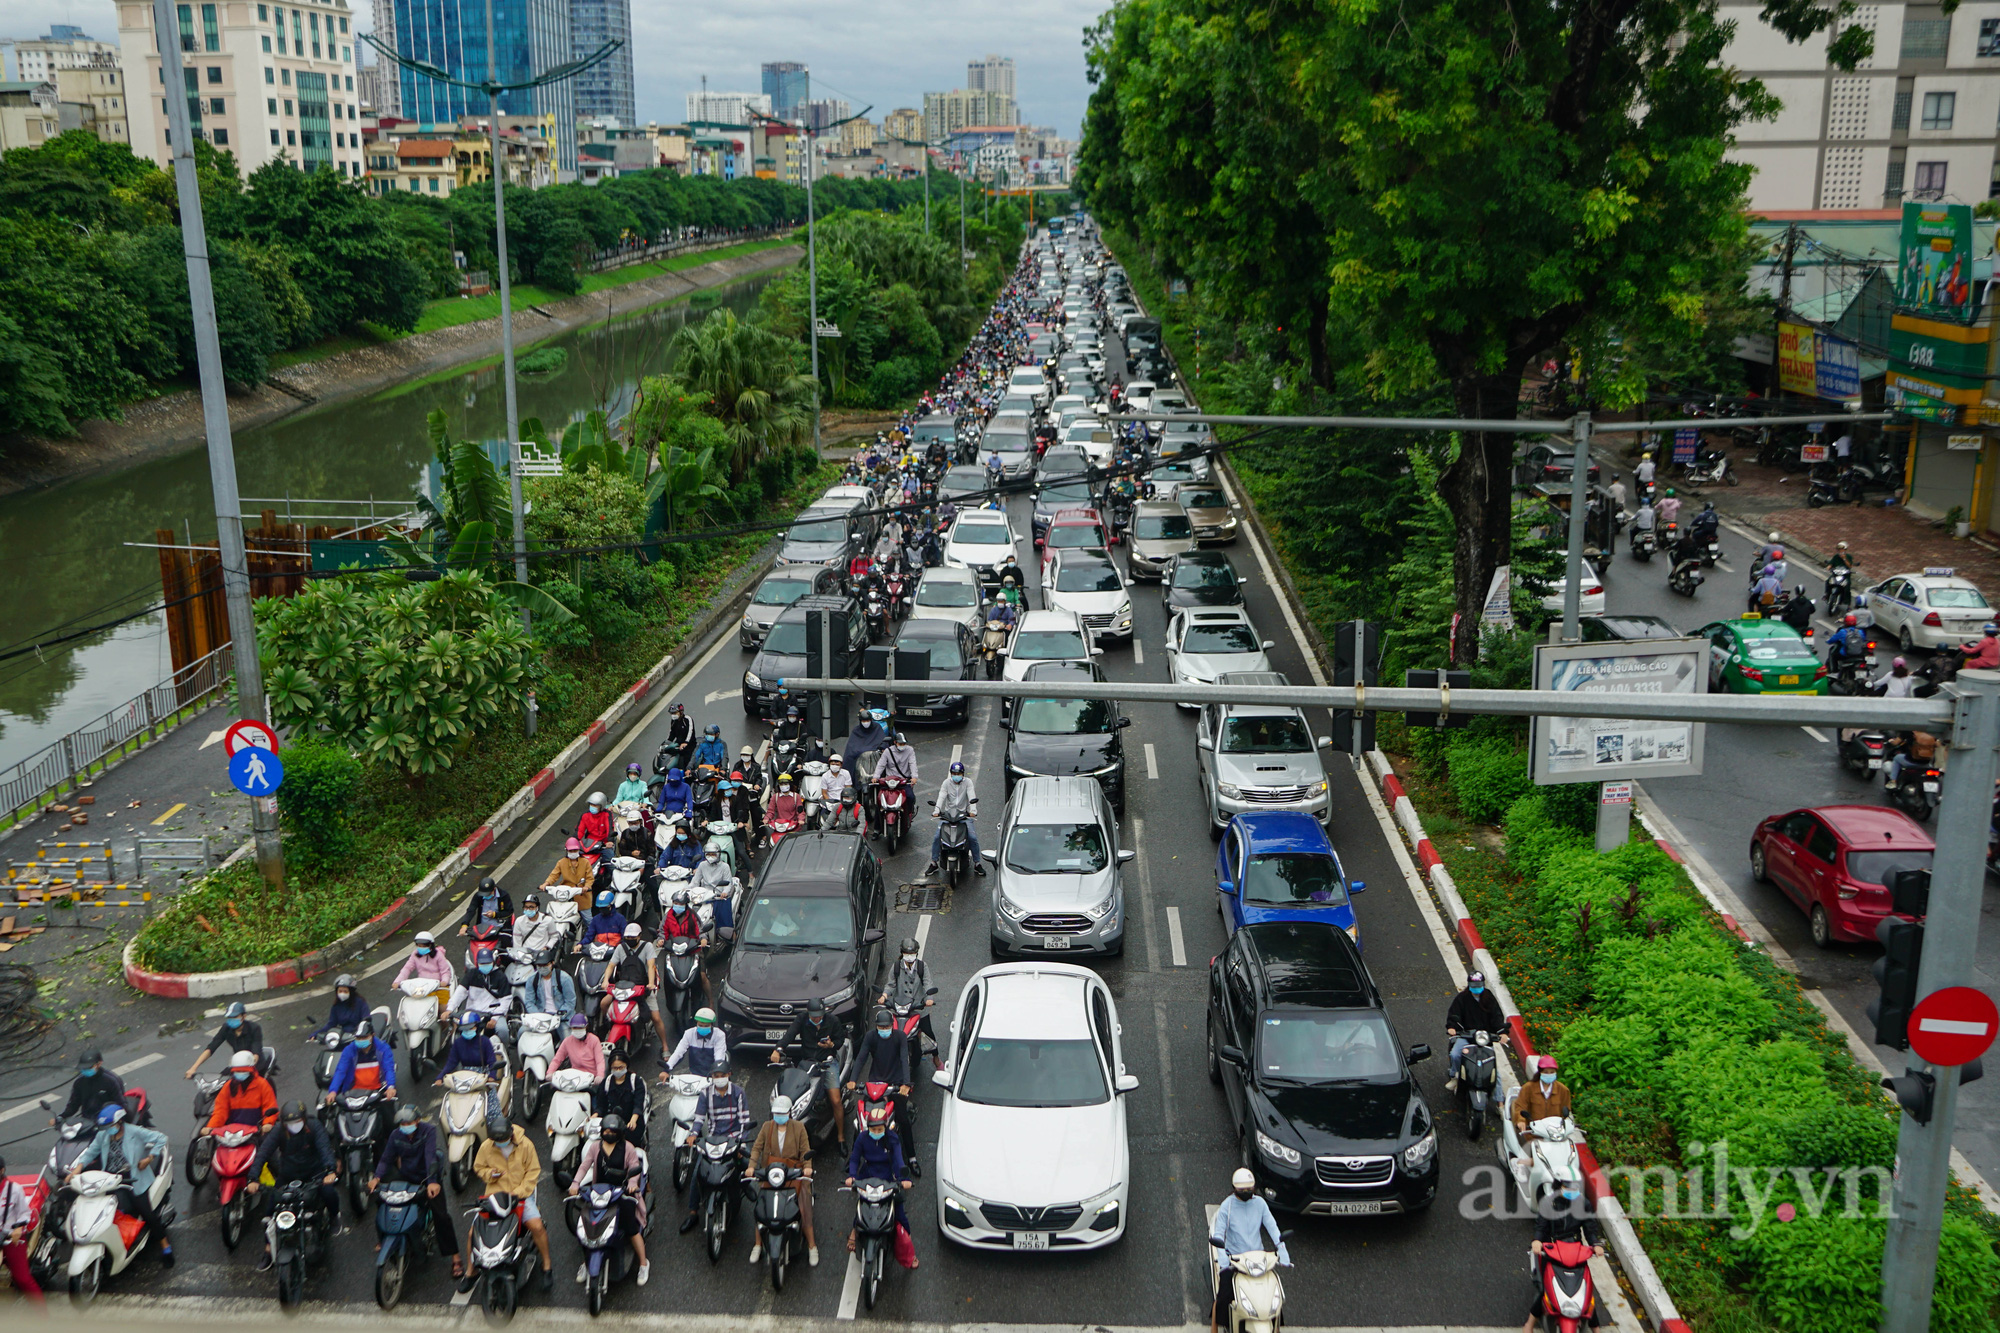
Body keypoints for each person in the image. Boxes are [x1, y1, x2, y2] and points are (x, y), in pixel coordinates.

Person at [70, 1103, 174, 1265]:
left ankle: (165, 1246)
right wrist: (77, 1169)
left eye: (110, 1125)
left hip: (132, 1179)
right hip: (109, 1180)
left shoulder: (135, 1132)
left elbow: (161, 1138)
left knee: (147, 1214)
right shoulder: (103, 1135)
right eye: (105, 1126)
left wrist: (149, 1158)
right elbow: (91, 1152)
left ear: (119, 1122)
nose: (107, 1129)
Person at [368, 1103, 461, 1281]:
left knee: (441, 1216)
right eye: (402, 1124)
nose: (405, 1127)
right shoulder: (396, 1135)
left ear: (417, 1121)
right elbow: (386, 1158)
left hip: (427, 1177)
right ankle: (383, 1238)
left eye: (408, 1123)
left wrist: (432, 1182)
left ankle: (455, 1258)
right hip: (406, 1176)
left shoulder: (428, 1131)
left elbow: (430, 1156)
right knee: (382, 1198)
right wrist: (376, 1178)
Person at [466, 1113, 555, 1294]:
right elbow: (478, 1168)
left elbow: (533, 1172)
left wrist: (519, 1192)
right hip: (494, 1196)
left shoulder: (526, 1145)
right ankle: (471, 1271)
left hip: (521, 1196)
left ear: (511, 1134)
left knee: (537, 1227)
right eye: (497, 1141)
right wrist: (490, 1174)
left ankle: (546, 1265)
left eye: (504, 1140)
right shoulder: (486, 1146)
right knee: (472, 1233)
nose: (500, 1143)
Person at [245, 1101, 339, 1269]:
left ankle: (333, 1217)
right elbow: (263, 1153)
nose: (293, 1126)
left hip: (315, 1175)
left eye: (297, 1122)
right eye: (289, 1123)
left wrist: (330, 1171)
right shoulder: (278, 1131)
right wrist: (253, 1178)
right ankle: (268, 1250)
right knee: (270, 1213)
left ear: (303, 1119)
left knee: (329, 1193)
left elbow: (324, 1148)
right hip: (288, 1176)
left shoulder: (314, 1126)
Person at [569, 1114, 649, 1286]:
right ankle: (585, 1262)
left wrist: (632, 1184)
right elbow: (585, 1165)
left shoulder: (628, 1148)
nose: (608, 1133)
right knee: (587, 1228)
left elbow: (634, 1167)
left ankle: (643, 1263)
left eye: (612, 1131)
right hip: (599, 1193)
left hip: (621, 1193)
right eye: (605, 1130)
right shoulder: (595, 1148)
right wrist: (575, 1183)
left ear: (619, 1133)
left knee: (631, 1228)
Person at [1209, 1168, 1290, 1333]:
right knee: (1224, 1295)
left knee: (1273, 1292)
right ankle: (1215, 1328)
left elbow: (1272, 1227)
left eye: (1249, 1189)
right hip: (1236, 1260)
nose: (1246, 1192)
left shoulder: (1260, 1203)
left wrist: (1282, 1249)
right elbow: (1219, 1233)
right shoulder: (1227, 1206)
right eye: (1242, 1190)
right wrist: (1223, 1258)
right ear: (1234, 1188)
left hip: (1258, 1260)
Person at [1521, 1182, 1606, 1333]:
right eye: (1568, 1187)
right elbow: (1541, 1226)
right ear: (1559, 1185)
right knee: (1545, 1289)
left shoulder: (1583, 1203)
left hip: (1575, 1251)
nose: (1572, 1191)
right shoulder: (1548, 1202)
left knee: (1586, 1291)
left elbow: (1590, 1228)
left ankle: (1596, 1328)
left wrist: (1596, 1243)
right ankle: (1529, 1323)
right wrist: (1537, 1240)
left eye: (1575, 1188)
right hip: (1552, 1249)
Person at [680, 1060, 751, 1233]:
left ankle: (747, 1189)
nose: (719, 1079)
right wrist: (693, 1134)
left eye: (722, 1076)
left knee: (747, 1166)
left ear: (729, 1075)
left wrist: (740, 1143)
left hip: (733, 1139)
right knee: (698, 1172)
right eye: (715, 1076)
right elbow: (699, 1119)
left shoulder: (739, 1093)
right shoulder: (705, 1094)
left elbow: (744, 1122)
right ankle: (693, 1211)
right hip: (713, 1140)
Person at [747, 1095, 818, 1266]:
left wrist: (807, 1167)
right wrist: (751, 1166)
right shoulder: (767, 1127)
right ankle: (757, 1244)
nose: (779, 1116)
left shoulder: (799, 1127)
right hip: (771, 1173)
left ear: (789, 1113)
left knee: (804, 1205)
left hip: (793, 1174)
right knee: (761, 1206)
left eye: (782, 1113)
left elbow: (805, 1150)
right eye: (776, 1113)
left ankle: (811, 1245)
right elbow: (757, 1147)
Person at [848, 1007, 918, 1176]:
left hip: (895, 1082)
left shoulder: (900, 1037)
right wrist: (852, 1079)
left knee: (903, 1119)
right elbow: (862, 1058)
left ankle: (912, 1158)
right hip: (875, 1083)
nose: (884, 1030)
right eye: (881, 1028)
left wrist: (906, 1084)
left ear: (892, 1027)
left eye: (887, 1028)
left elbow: (903, 1059)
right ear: (876, 1026)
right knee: (862, 1118)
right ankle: (852, 1158)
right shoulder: (870, 1037)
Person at [844, 1102, 915, 1261]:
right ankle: (855, 1230)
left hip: (888, 1176)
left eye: (879, 1129)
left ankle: (907, 1249)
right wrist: (852, 1176)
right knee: (861, 1208)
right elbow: (855, 1159)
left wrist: (904, 1179)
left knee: (900, 1215)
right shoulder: (862, 1138)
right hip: (867, 1175)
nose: (876, 1132)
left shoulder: (892, 1138)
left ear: (886, 1126)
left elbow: (898, 1159)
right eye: (873, 1129)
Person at [880, 938, 940, 1072]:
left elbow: (927, 984)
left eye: (912, 953)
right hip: (900, 1007)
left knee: (928, 1033)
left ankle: (936, 1058)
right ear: (902, 953)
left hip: (918, 1007)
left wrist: (928, 999)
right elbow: (890, 985)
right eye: (907, 953)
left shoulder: (922, 966)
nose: (909, 956)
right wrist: (884, 996)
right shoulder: (896, 967)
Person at [1444, 971, 1506, 1092]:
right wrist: (1452, 1027)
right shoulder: (1462, 998)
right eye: (1474, 986)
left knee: (1493, 1069)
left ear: (1483, 984)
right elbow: (1454, 1014)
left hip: (1484, 1038)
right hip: (1466, 1036)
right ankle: (1455, 1076)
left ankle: (1500, 1103)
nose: (1476, 989)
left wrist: (1502, 1032)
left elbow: (1497, 1016)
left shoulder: (1489, 998)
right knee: (1455, 1054)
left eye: (1479, 986)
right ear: (1469, 985)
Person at [439, 1013, 505, 1120]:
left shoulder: (484, 1041)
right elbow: (451, 1062)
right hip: (463, 1078)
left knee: (492, 1110)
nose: (468, 1031)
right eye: (465, 1029)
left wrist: (491, 1076)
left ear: (477, 1027)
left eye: (471, 1028)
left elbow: (492, 1061)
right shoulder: (458, 1043)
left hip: (483, 1077)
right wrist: (440, 1076)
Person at [927, 760, 986, 877]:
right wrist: (937, 810)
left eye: (959, 774)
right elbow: (941, 796)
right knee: (937, 837)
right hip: (948, 816)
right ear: (951, 774)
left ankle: (977, 863)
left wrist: (973, 811)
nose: (956, 776)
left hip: (963, 815)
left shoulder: (968, 783)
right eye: (954, 774)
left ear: (963, 774)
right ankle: (934, 862)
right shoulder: (946, 783)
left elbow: (971, 796)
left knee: (972, 837)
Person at [0, 1154, 43, 1306]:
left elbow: (24, 1213)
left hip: (12, 1238)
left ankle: (43, 1317)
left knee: (23, 1279)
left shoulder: (15, 1189)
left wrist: (18, 1228)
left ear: (2, 1171)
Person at [187, 1001, 268, 1081]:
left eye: (235, 1017)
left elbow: (256, 1053)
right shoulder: (226, 1028)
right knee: (221, 1083)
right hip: (237, 1064)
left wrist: (247, 1069)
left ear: (244, 1017)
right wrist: (194, 1068)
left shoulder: (254, 1028)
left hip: (255, 1065)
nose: (231, 1020)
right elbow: (211, 1048)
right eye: (229, 1018)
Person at [324, 1021, 397, 1108]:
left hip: (377, 1091)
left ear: (372, 1035)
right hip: (353, 1092)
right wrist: (333, 1091)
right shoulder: (349, 1050)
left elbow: (388, 1069)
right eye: (358, 1038)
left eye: (365, 1037)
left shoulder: (383, 1048)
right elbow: (341, 1071)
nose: (361, 1040)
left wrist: (390, 1087)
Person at [206, 1050, 280, 1134]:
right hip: (233, 1134)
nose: (240, 1074)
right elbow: (220, 1111)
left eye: (243, 1071)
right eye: (238, 1071)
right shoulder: (228, 1087)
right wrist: (211, 1127)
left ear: (251, 1070)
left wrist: (267, 1124)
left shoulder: (262, 1085)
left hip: (256, 1133)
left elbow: (270, 1108)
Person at [54, 1048, 125, 1127]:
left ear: (99, 1064)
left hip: (107, 1121)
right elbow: (73, 1105)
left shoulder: (112, 1081)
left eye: (89, 1068)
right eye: (83, 1069)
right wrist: (61, 1117)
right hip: (87, 1123)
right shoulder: (79, 1083)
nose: (85, 1071)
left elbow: (121, 1104)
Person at [394, 931, 456, 1017]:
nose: (421, 948)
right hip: (423, 987)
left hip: (438, 986)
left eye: (424, 946)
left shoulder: (438, 955)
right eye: (419, 946)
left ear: (431, 945)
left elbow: (445, 971)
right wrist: (398, 981)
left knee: (444, 1008)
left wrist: (444, 981)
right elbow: (407, 968)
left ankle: (451, 1025)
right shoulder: (415, 954)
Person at [1512, 1056, 1574, 1140]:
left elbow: (1566, 1111)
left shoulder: (1563, 1090)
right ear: (1540, 1072)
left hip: (1554, 1135)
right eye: (1546, 1072)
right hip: (1533, 1134)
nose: (1549, 1075)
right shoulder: (1528, 1088)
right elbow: (1520, 1107)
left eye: (1552, 1072)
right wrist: (1521, 1121)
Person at [663, 1007, 728, 1077]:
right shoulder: (689, 1034)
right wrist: (667, 1069)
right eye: (700, 1025)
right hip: (694, 1075)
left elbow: (719, 1056)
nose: (703, 1027)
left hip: (712, 1074)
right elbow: (678, 1053)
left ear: (712, 1025)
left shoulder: (719, 1035)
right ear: (696, 1023)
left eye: (706, 1026)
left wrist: (717, 1072)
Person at [550, 1012, 608, 1082]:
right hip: (575, 1077)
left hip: (591, 1078)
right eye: (575, 1028)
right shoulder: (567, 1041)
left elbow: (600, 1061)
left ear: (586, 1027)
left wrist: (600, 1075)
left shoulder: (594, 1040)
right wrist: (550, 1072)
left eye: (580, 1027)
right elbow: (557, 1059)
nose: (577, 1030)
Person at [311, 974, 372, 1039]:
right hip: (344, 1037)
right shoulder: (336, 1006)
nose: (342, 993)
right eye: (340, 991)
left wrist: (360, 1033)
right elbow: (331, 1024)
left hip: (360, 1036)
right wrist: (317, 1034)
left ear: (351, 992)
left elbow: (366, 1019)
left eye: (345, 991)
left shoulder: (360, 1002)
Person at [524, 949, 578, 1018]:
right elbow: (529, 1002)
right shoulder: (531, 979)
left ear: (552, 963)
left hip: (562, 1017)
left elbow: (570, 1002)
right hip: (541, 1016)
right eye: (539, 965)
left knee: (565, 1029)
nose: (542, 968)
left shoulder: (565, 978)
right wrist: (538, 1016)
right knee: (523, 1029)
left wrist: (557, 1016)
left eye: (545, 965)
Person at [661, 704, 695, 774]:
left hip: (689, 746)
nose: (673, 715)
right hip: (678, 745)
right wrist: (666, 743)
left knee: (685, 762)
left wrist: (686, 742)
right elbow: (671, 733)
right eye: (672, 713)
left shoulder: (687, 719)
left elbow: (690, 731)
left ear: (681, 712)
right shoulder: (673, 721)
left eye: (675, 713)